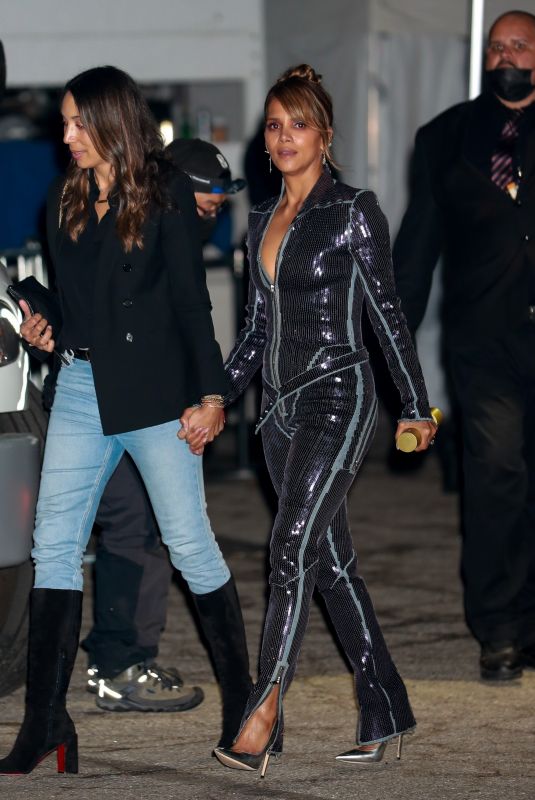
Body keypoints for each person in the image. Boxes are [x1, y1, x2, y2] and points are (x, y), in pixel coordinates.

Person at [0, 65, 251, 777]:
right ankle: (46, 722)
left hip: (157, 396)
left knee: (189, 544)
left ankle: (247, 708)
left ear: (113, 123)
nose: (67, 134)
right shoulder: (63, 197)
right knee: (53, 547)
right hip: (81, 385)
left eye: (80, 121)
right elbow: (79, 304)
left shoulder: (166, 198)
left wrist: (211, 393)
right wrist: (45, 320)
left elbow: (190, 303)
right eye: (67, 121)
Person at [190, 64, 435, 776]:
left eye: (298, 124)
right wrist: (220, 397)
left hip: (338, 397)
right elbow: (254, 332)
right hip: (277, 415)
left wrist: (416, 406)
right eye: (274, 125)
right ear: (264, 144)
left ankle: (262, 711)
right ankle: (385, 707)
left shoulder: (354, 210)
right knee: (328, 564)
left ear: (324, 136)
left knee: (288, 548)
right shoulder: (261, 222)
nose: (285, 136)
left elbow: (386, 315)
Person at [79, 138, 247, 714]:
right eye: (206, 205)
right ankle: (117, 664)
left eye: (220, 207)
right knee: (131, 527)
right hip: (109, 406)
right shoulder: (134, 233)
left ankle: (122, 659)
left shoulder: (169, 236)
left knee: (146, 529)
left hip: (149, 407)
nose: (213, 216)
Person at [393, 10, 535, 682]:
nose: (505, 53)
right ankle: (499, 627)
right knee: (495, 475)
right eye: (496, 45)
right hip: (481, 343)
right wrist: (392, 351)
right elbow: (416, 246)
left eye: (519, 45)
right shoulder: (444, 136)